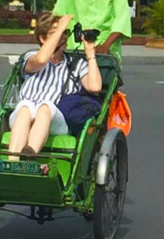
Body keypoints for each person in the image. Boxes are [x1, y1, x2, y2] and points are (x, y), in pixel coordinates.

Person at [8, 13, 102, 163]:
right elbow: (41, 59)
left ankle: (29, 155)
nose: (63, 36)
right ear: (43, 38)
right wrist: (60, 30)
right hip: (23, 115)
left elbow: (95, 86)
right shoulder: (31, 56)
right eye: (55, 33)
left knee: (46, 107)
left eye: (65, 32)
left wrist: (90, 52)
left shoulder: (75, 64)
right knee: (25, 106)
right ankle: (12, 162)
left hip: (55, 118)